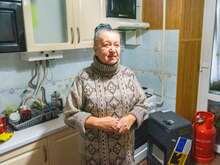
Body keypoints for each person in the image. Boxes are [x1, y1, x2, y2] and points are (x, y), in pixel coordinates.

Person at [64, 23, 151, 165]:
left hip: (125, 157)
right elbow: (69, 114)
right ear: (95, 48)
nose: (113, 50)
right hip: (94, 158)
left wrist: (131, 118)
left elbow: (144, 104)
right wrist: (98, 123)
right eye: (106, 45)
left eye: (116, 45)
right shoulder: (83, 77)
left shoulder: (128, 74)